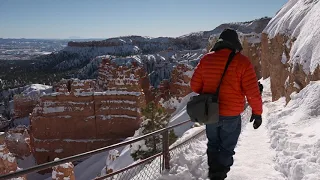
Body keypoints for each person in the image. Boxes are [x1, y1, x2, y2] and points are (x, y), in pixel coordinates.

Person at [190, 28, 263, 180]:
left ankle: (213, 173)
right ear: (235, 43)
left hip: (211, 113)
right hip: (231, 115)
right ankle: (219, 175)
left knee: (213, 145)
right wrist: (257, 113)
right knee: (226, 148)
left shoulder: (206, 59)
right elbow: (252, 92)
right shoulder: (243, 62)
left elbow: (194, 86)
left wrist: (210, 85)